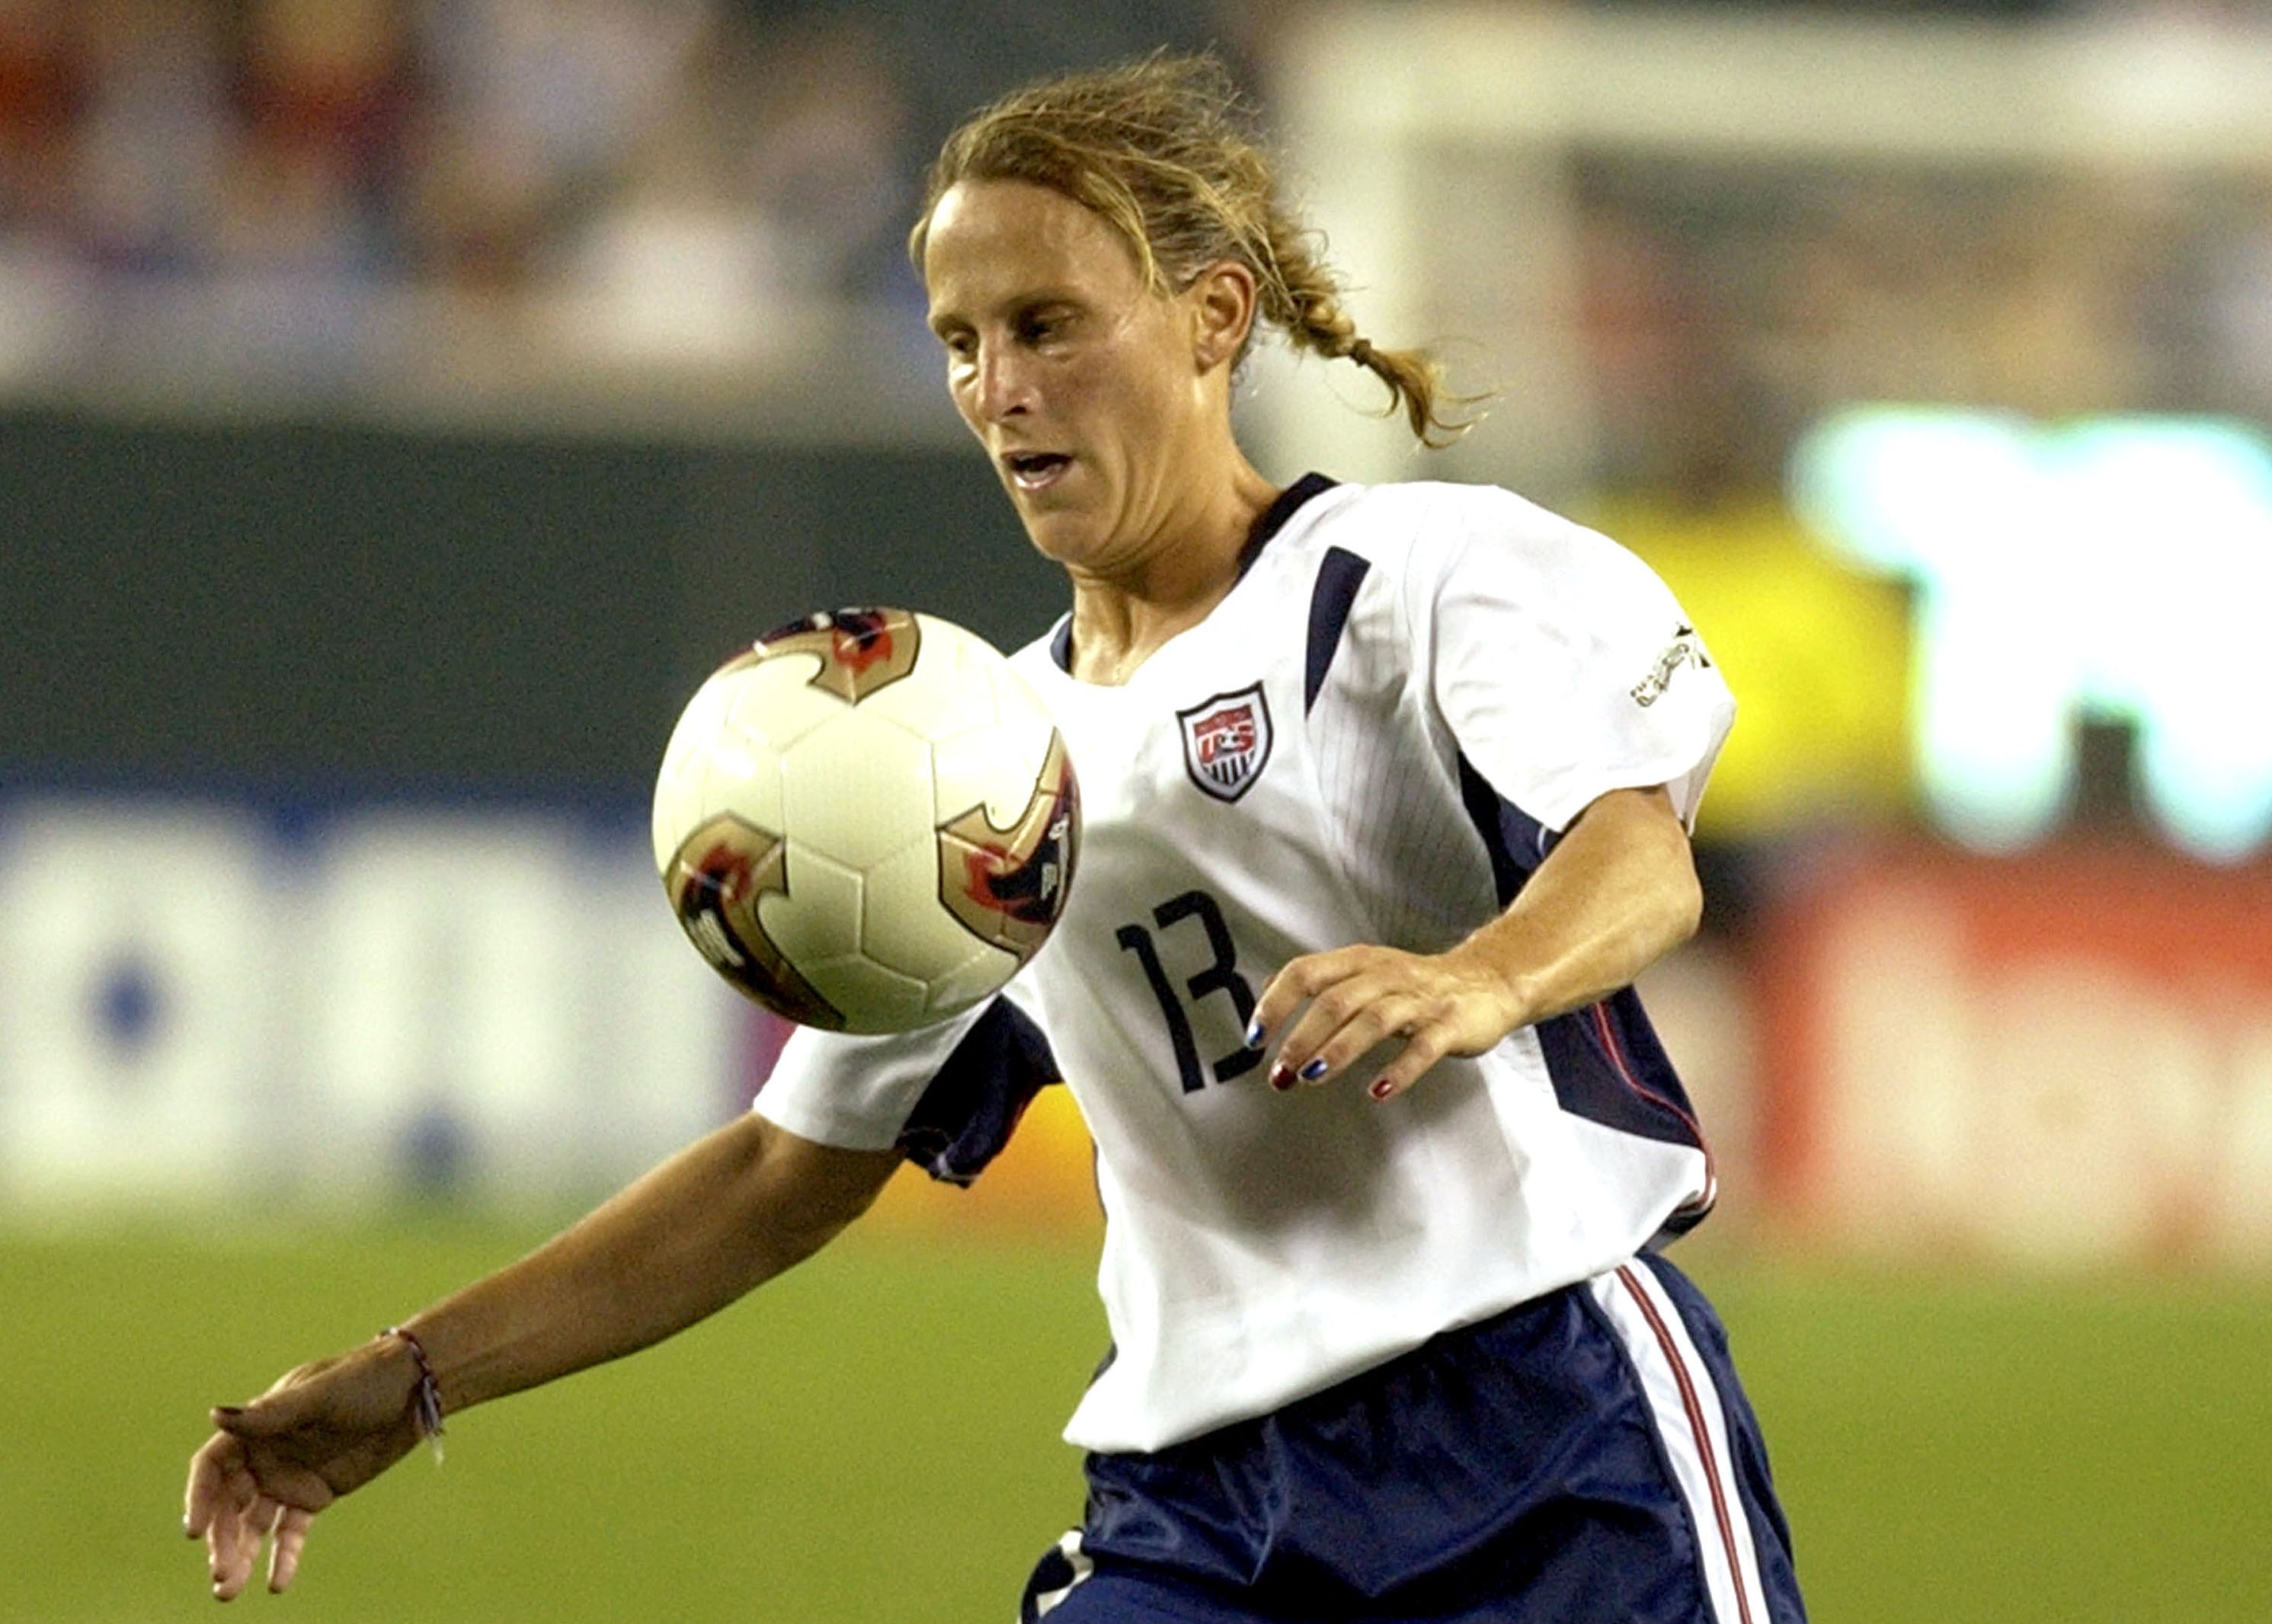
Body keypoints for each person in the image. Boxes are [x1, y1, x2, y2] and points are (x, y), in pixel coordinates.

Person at [184, 53, 1806, 1624]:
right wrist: (414, 1371)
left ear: (1213, 319)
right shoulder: (968, 764)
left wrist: (1486, 976)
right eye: (960, 339)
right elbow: (778, 1169)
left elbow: (1636, 853)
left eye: (1046, 325)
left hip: (1543, 1428)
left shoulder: (1410, 576)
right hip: (1201, 1500)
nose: (998, 386)